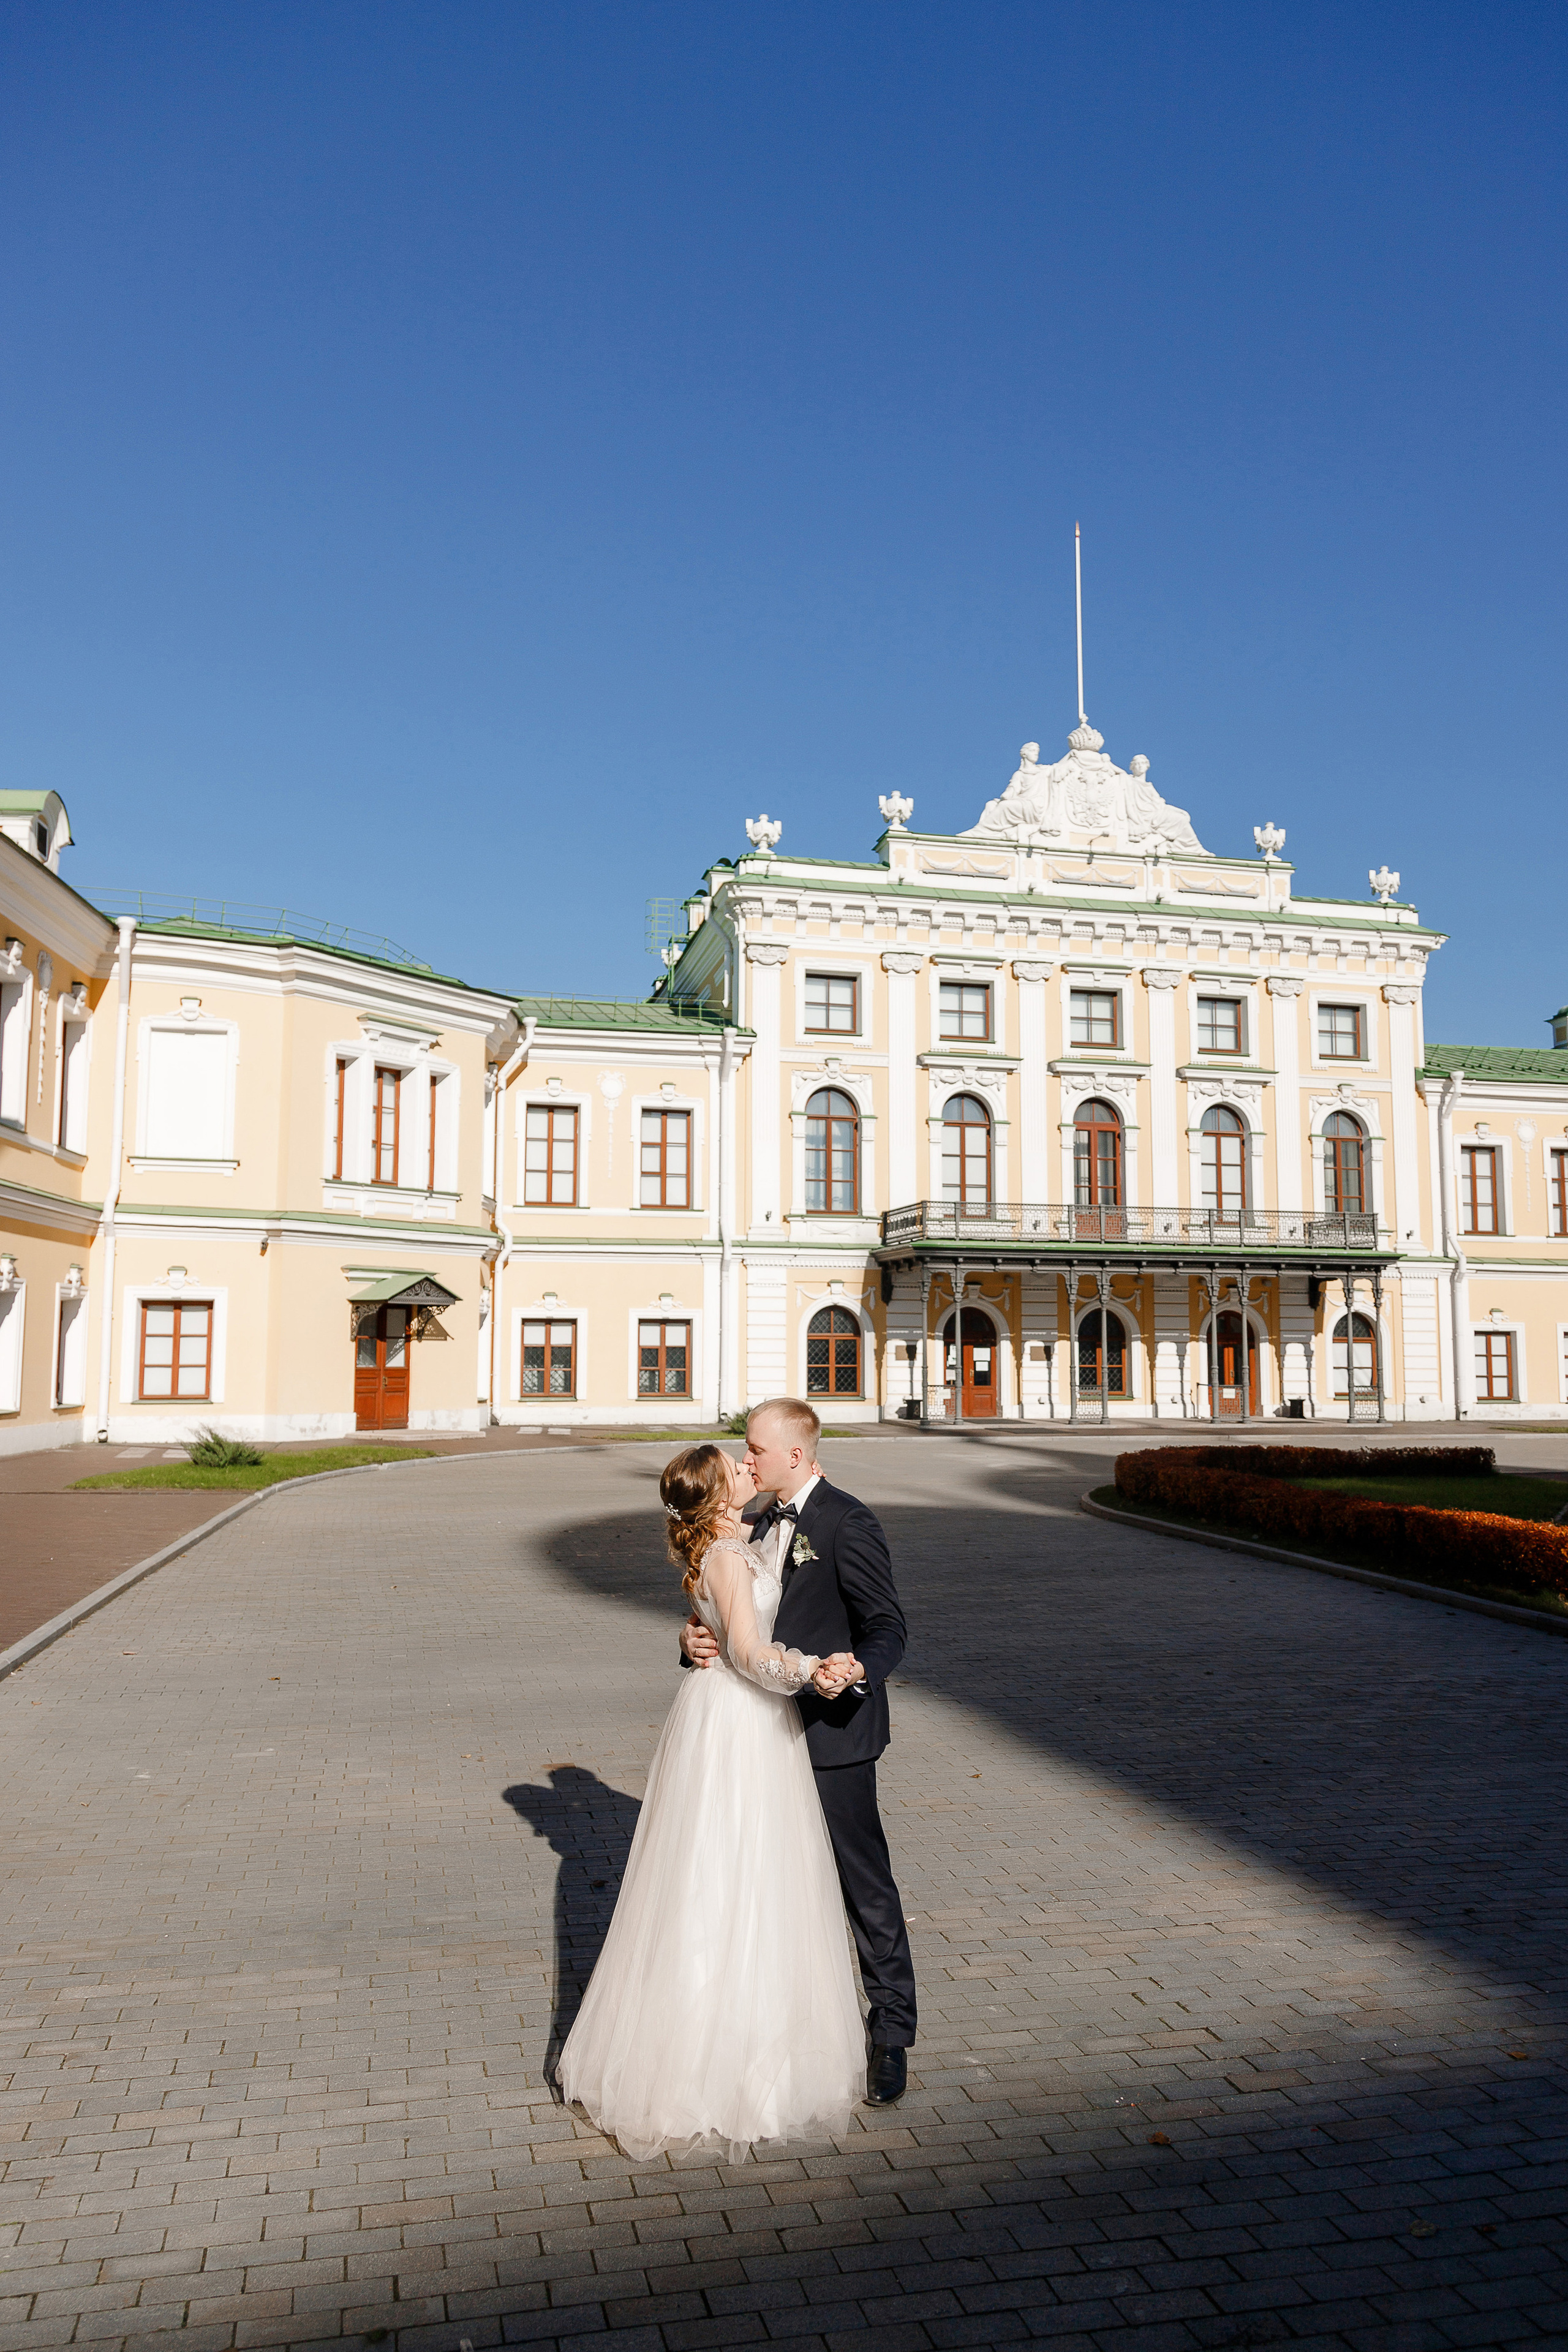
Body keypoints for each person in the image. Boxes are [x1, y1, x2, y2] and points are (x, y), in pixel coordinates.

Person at [555, 1440, 867, 2162]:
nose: (748, 1467)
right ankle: (728, 2073)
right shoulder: (727, 1554)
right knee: (738, 1875)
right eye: (736, 1466)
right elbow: (752, 1654)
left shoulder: (720, 1547)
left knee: (715, 1873)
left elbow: (721, 1628)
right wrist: (812, 1669)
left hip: (718, 1713)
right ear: (722, 1493)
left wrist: (705, 1635)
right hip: (741, 1720)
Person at [681, 1397, 917, 2108]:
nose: (745, 1460)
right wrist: (690, 1640)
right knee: (768, 1886)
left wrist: (859, 1668)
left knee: (861, 1883)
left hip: (830, 1734)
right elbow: (731, 1616)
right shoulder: (751, 1520)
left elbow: (887, 1625)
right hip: (757, 1739)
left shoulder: (848, 1521)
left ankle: (891, 2033)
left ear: (795, 1454)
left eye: (755, 1449)